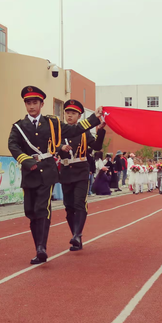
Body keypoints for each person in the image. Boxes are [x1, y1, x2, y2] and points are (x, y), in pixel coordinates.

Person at [8, 86, 103, 264]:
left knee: (42, 209)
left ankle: (41, 248)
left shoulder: (52, 124)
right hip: (29, 173)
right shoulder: (19, 127)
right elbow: (13, 145)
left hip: (47, 172)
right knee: (31, 212)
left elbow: (74, 130)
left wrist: (94, 118)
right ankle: (39, 245)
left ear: (42, 104)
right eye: (28, 103)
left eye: (35, 102)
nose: (31, 106)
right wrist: (26, 161)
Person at [58, 99, 106, 251]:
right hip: (65, 171)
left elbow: (97, 146)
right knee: (69, 207)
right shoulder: (59, 131)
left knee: (79, 203)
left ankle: (77, 235)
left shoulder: (84, 132)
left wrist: (100, 130)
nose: (70, 116)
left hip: (81, 171)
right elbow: (50, 146)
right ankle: (75, 236)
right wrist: (60, 147)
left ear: (79, 116)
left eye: (73, 113)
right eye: (67, 113)